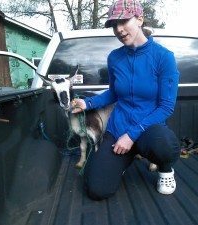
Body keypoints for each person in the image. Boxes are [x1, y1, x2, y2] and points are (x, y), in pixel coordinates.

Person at [72, 0, 180, 200]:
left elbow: (166, 106)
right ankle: (120, 163)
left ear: (139, 19)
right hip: (118, 129)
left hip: (149, 130)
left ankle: (166, 169)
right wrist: (87, 103)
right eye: (114, 25)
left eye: (123, 21)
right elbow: (114, 93)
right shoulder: (115, 58)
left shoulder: (164, 57)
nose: (119, 29)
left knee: (164, 144)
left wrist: (131, 136)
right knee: (97, 189)